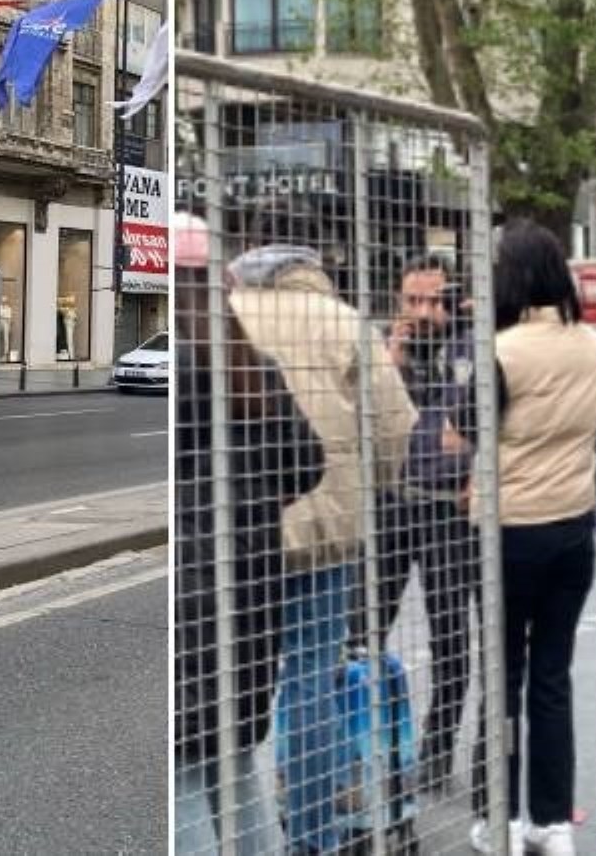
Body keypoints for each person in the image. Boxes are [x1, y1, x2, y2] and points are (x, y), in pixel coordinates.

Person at [228, 244, 416, 855]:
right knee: (310, 679)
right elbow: (395, 431)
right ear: (313, 269)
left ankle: (236, 823)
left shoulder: (228, 313)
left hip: (243, 528)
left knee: (230, 684)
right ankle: (314, 835)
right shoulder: (344, 322)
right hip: (328, 531)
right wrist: (376, 488)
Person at [173, 214, 326, 855]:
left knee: (183, 788)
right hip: (255, 594)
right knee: (234, 772)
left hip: (191, 609)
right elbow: (309, 462)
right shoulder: (249, 366)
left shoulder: (184, 373)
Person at [470, 220, 596, 856]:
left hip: (509, 532)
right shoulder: (595, 345)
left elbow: (459, 434)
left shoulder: (499, 350)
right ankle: (553, 824)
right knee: (553, 679)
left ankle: (498, 816)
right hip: (574, 526)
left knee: (501, 678)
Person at [369, 252, 477, 795]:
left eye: (434, 300)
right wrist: (394, 357)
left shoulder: (472, 348)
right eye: (413, 299)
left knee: (450, 635)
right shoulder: (389, 350)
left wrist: (477, 476)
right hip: (394, 501)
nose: (424, 310)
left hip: (448, 507)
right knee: (365, 629)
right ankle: (374, 749)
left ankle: (436, 752)